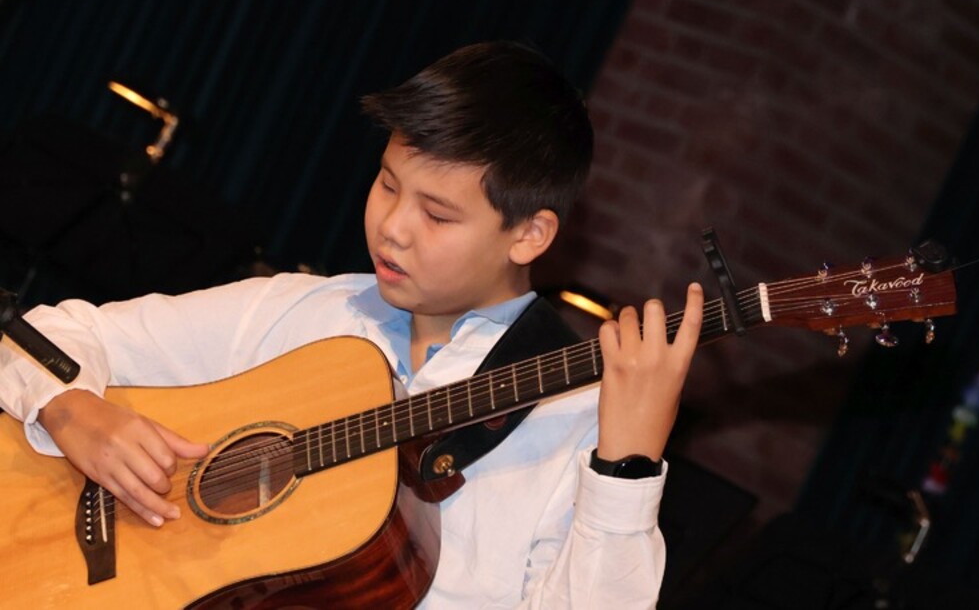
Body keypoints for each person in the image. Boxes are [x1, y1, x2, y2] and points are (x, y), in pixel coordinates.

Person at [0, 41, 703, 608]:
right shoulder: (311, 312)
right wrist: (73, 411)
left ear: (529, 234)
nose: (391, 226)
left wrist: (628, 465)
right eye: (388, 183)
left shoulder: (578, 421)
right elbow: (45, 335)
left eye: (437, 214)